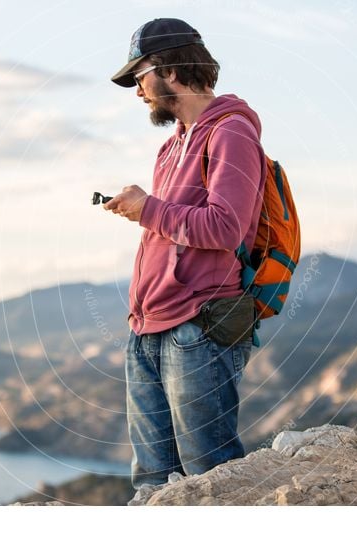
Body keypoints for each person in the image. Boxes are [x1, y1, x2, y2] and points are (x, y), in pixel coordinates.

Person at [105, 18, 267, 490]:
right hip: (147, 328)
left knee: (209, 480)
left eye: (140, 78)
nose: (138, 92)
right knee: (153, 483)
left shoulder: (232, 133)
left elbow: (225, 226)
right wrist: (145, 210)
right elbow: (172, 227)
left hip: (197, 330)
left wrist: (146, 209)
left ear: (170, 70)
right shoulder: (169, 147)